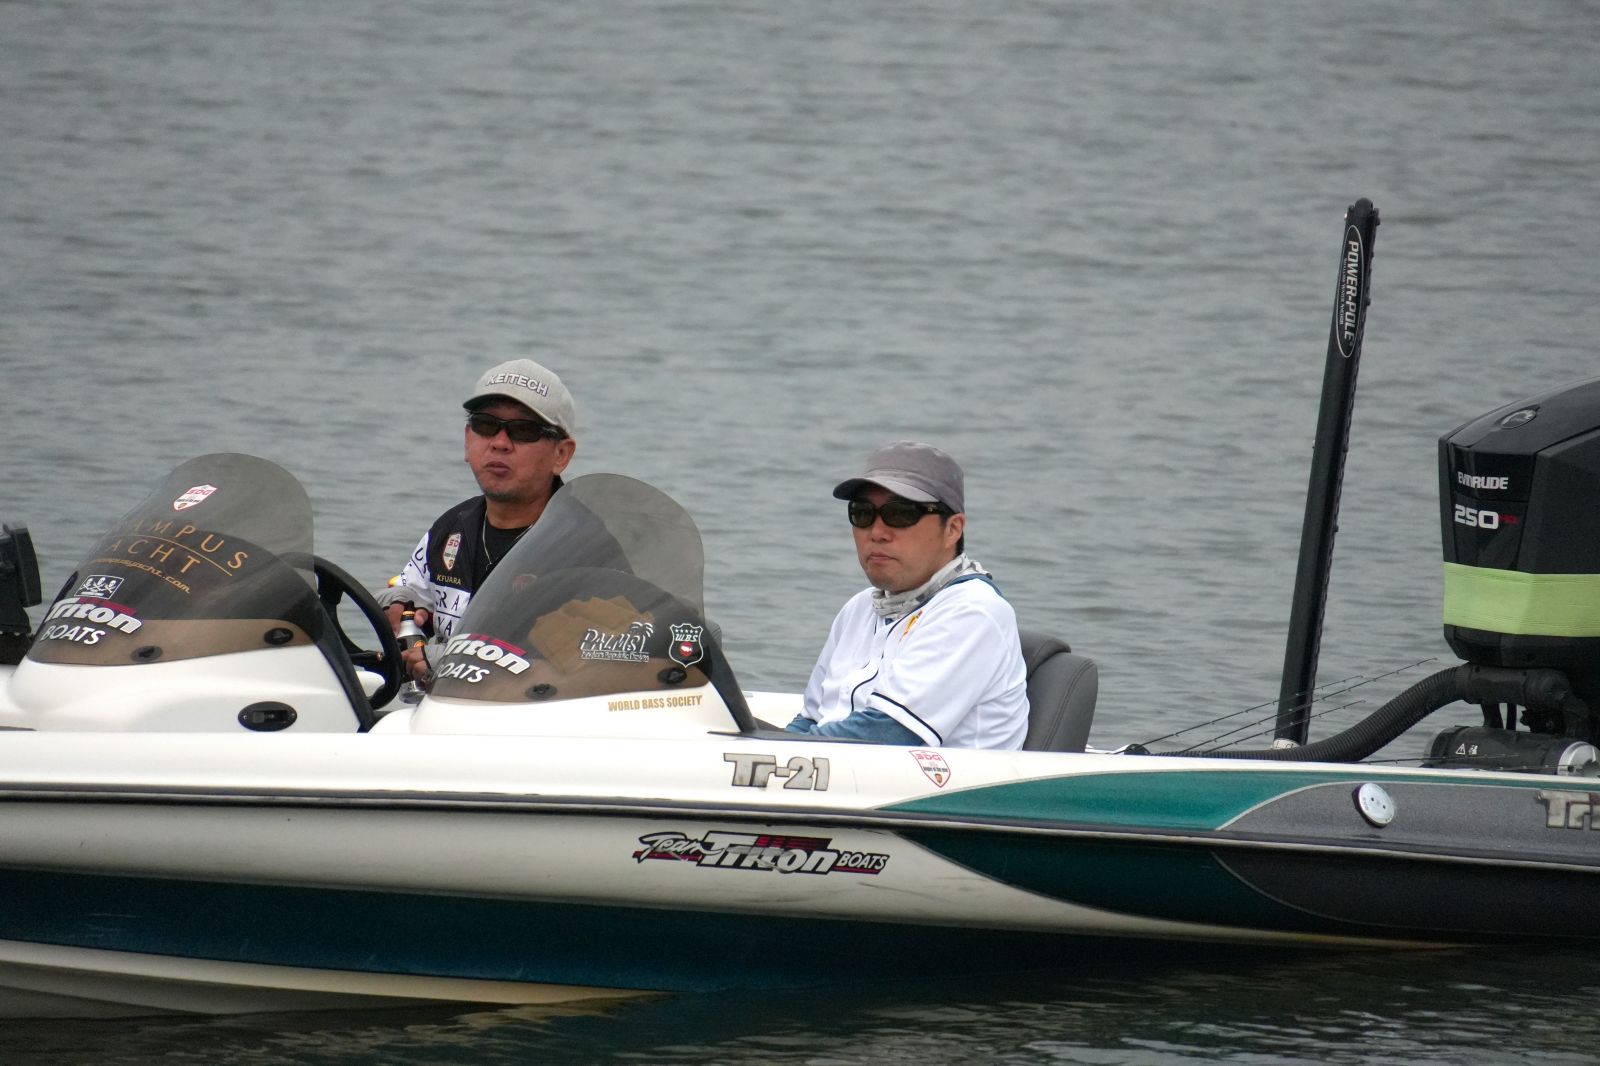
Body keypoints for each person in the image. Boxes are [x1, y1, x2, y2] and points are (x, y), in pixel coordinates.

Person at [786, 440, 1029, 749]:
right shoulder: (859, 608)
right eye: (862, 513)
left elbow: (886, 736)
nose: (877, 532)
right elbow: (809, 719)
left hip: (937, 781)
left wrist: (769, 751)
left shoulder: (972, 611)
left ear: (952, 529)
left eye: (900, 514)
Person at [380, 358, 577, 680]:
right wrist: (399, 605)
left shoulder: (588, 546)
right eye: (486, 425)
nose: (499, 443)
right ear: (467, 439)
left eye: (523, 430)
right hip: (442, 703)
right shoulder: (450, 528)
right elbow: (409, 592)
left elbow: (600, 664)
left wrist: (455, 659)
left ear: (561, 454)